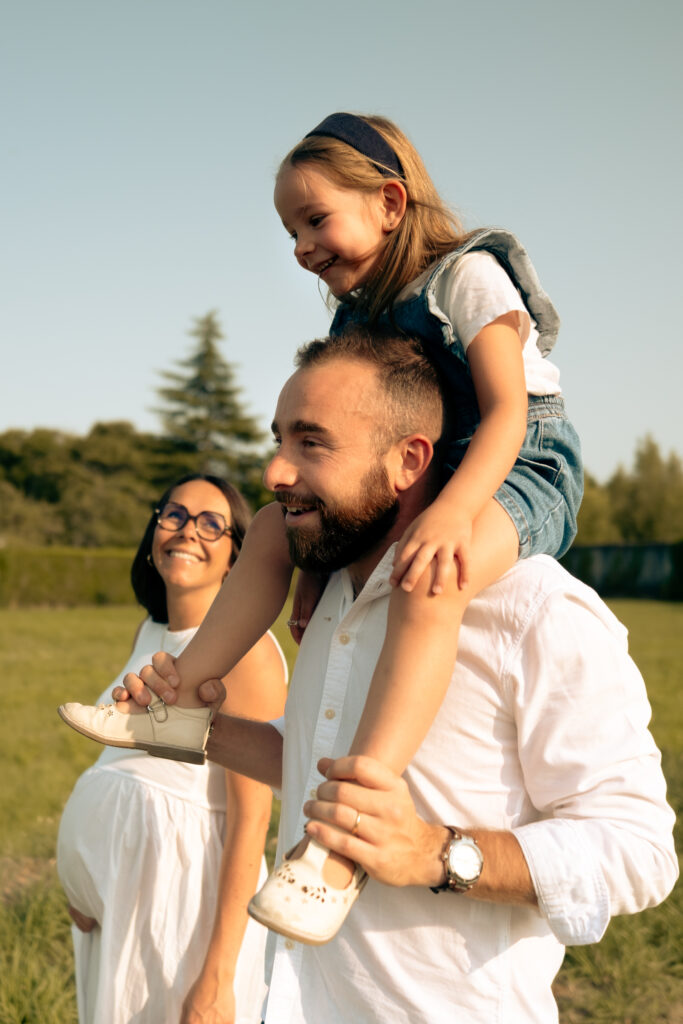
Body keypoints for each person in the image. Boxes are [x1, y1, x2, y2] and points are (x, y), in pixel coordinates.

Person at [59, 110, 584, 943]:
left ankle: (340, 842)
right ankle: (181, 699)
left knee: (429, 575)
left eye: (313, 220)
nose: (301, 246)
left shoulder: (467, 275)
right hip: (421, 473)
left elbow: (509, 412)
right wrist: (310, 572)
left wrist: (450, 513)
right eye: (289, 230)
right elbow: (341, 473)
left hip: (514, 465)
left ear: (388, 200)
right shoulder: (357, 320)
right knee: (267, 524)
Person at [110, 331, 677, 1024]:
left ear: (408, 460)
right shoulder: (327, 601)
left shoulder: (537, 611)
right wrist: (191, 731)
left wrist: (437, 854)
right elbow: (319, 764)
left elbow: (638, 852)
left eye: (310, 444)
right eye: (278, 439)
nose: (274, 473)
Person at [56, 474, 288, 1024]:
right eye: (175, 515)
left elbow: (251, 822)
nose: (187, 532)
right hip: (121, 905)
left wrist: (218, 978)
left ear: (237, 556)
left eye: (212, 523)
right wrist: (86, 881)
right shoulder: (152, 632)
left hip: (184, 903)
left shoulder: (248, 652)